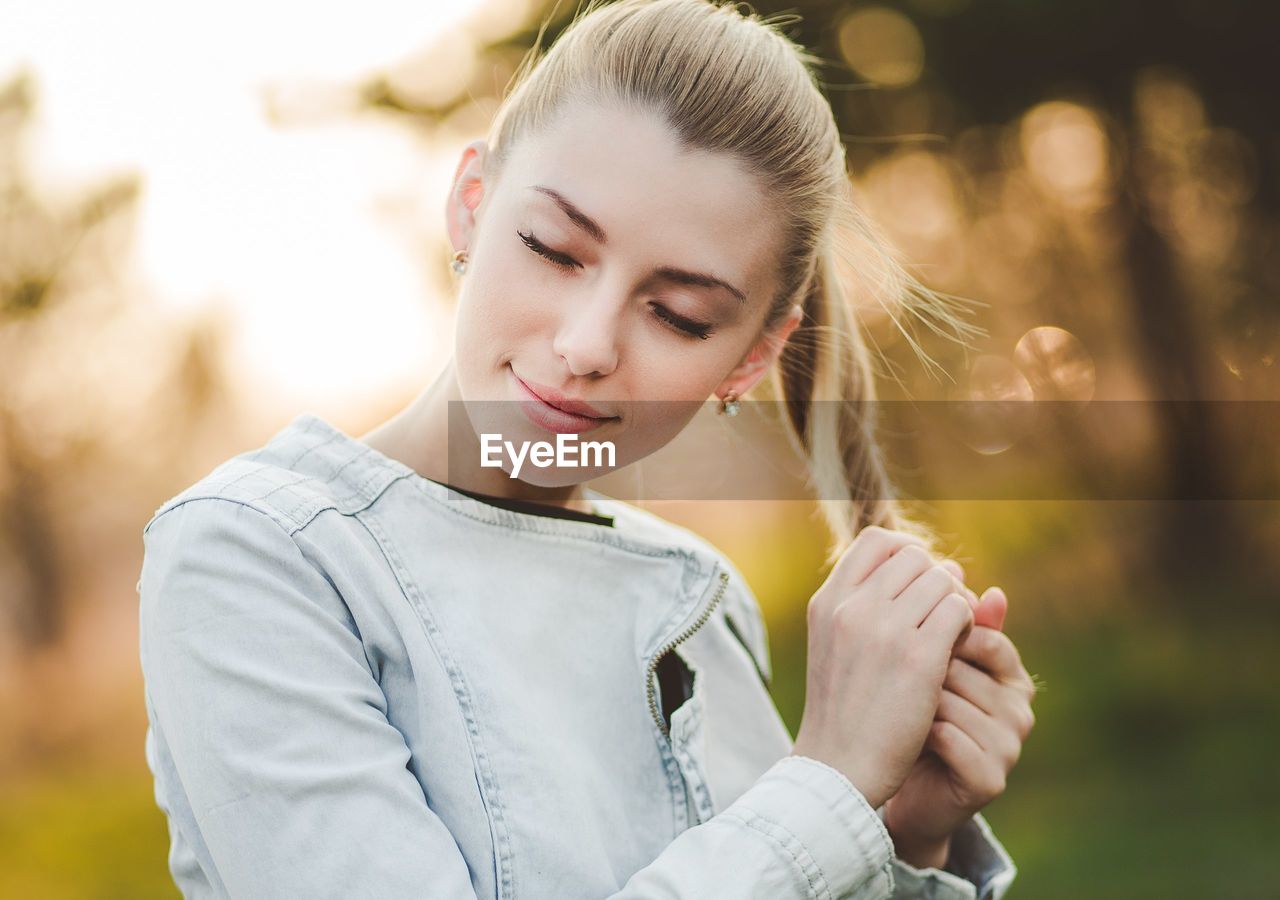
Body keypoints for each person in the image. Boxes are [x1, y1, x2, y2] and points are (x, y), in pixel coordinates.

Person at [137, 0, 1037, 897]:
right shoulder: (254, 557)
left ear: (753, 357)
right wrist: (826, 789)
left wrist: (897, 836)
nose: (587, 345)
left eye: (680, 316)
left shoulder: (702, 605)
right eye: (554, 249)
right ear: (469, 208)